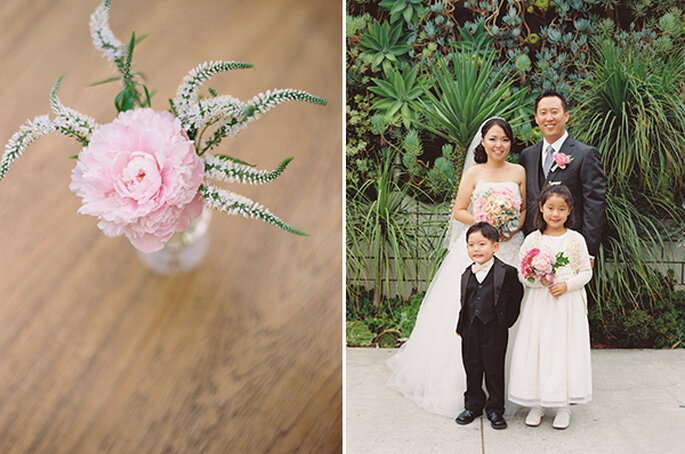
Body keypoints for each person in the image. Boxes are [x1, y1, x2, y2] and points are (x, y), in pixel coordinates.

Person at [386, 117, 526, 417]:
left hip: (510, 249)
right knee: (469, 319)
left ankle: (505, 394)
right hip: (478, 248)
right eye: (492, 139)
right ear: (483, 142)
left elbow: (524, 208)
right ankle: (469, 393)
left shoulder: (519, 171)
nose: (498, 145)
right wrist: (484, 224)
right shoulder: (474, 174)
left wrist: (512, 228)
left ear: (510, 143)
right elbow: (459, 211)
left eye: (504, 139)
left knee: (507, 316)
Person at [508, 184, 593, 429]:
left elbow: (585, 272)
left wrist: (567, 286)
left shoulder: (576, 239)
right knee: (539, 349)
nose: (555, 214)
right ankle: (536, 403)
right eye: (550, 208)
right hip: (539, 304)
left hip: (566, 305)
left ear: (569, 211)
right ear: (541, 209)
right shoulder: (533, 239)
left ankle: (562, 406)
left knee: (562, 351)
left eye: (561, 209)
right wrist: (538, 280)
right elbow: (523, 274)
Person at [519, 89, 606, 265]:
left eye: (554, 112)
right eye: (543, 113)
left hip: (571, 247)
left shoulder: (585, 154)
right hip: (535, 246)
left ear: (566, 116)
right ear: (536, 118)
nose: (549, 118)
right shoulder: (527, 155)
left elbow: (594, 204)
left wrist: (589, 251)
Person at [454, 222, 523, 430]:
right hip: (470, 329)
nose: (476, 249)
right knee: (472, 367)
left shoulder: (507, 272)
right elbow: (464, 302)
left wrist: (505, 322)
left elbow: (516, 297)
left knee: (494, 369)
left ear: (495, 247)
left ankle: (495, 409)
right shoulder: (466, 274)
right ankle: (473, 405)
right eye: (471, 245)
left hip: (494, 329)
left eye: (482, 244)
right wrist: (461, 327)